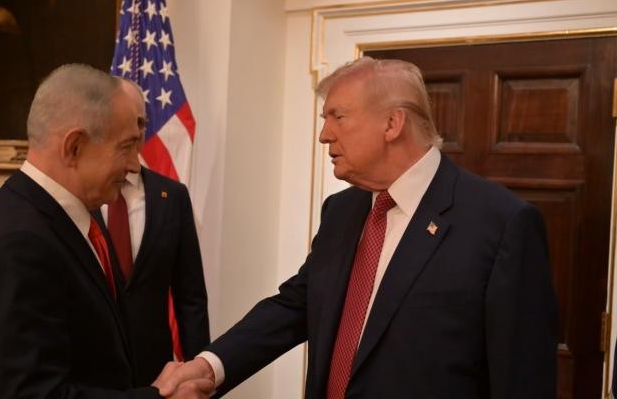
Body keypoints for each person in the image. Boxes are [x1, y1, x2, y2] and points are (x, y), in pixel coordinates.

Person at [161, 56, 558, 398]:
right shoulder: (341, 211)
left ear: (392, 123)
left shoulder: (500, 222)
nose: (324, 135)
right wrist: (210, 366)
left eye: (338, 117)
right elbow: (297, 305)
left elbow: (523, 376)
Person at [0, 64, 211, 399]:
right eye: (126, 146)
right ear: (74, 146)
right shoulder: (18, 243)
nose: (134, 165)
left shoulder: (53, 219)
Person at [92, 80, 210, 387]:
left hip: (155, 370)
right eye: (128, 122)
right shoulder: (81, 195)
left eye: (141, 122)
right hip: (91, 368)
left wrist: (198, 372)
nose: (137, 131)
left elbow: (190, 297)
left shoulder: (172, 197)